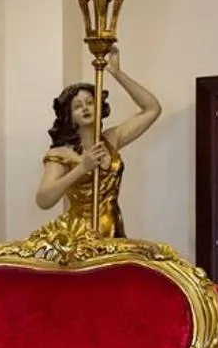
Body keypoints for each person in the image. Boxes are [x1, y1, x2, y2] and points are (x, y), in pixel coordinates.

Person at [35, 49, 161, 238]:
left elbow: (152, 109)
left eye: (90, 102)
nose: (85, 108)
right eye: (78, 106)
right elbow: (44, 199)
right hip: (82, 237)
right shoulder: (61, 154)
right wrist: (82, 168)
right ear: (69, 116)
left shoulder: (111, 139)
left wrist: (117, 73)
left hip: (113, 230)